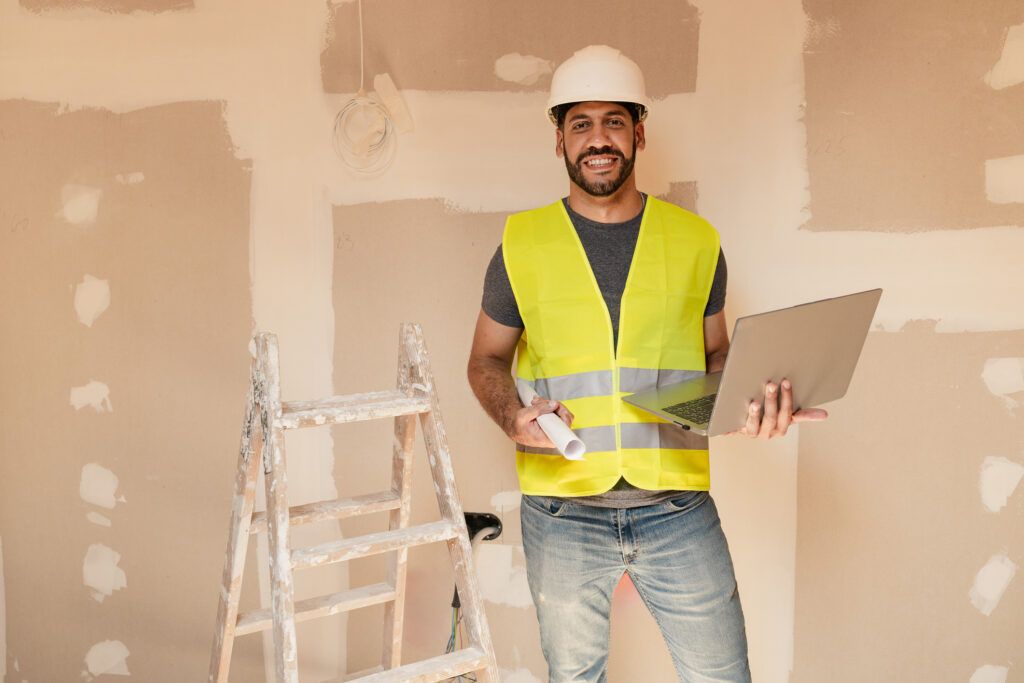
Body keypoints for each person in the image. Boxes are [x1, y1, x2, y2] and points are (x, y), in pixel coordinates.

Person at [466, 45, 826, 683]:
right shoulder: (520, 243)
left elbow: (715, 355)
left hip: (677, 508)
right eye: (581, 124)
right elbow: (486, 361)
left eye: (613, 122)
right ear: (559, 140)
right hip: (562, 511)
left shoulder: (696, 240)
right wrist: (513, 418)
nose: (598, 139)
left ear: (638, 133)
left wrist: (752, 402)